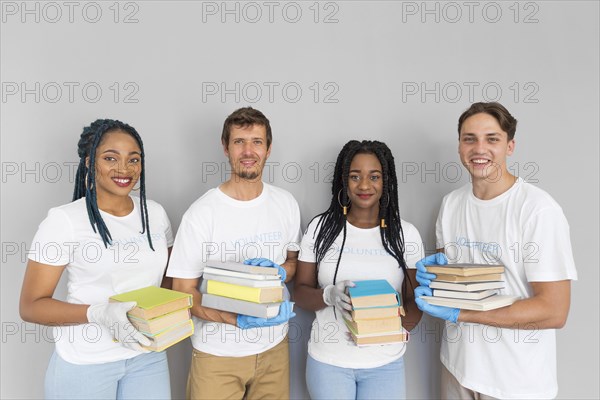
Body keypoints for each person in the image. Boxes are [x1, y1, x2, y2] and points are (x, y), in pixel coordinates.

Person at [414, 102, 578, 399]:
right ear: (459, 146)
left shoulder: (537, 210)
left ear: (510, 146)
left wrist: (462, 314)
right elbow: (454, 286)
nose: (480, 149)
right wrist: (435, 278)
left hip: (514, 382)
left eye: (492, 139)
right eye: (470, 139)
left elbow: (554, 311)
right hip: (456, 370)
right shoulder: (451, 204)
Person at [19, 119, 174, 399]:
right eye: (110, 158)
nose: (124, 169)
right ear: (90, 162)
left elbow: (172, 276)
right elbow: (31, 307)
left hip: (147, 356)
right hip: (85, 363)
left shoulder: (155, 214)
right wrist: (97, 313)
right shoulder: (65, 221)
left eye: (133, 159)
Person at [166, 107, 301, 400]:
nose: (248, 151)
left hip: (274, 351)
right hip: (218, 356)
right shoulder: (201, 214)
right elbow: (183, 293)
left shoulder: (286, 204)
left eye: (256, 141)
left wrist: (281, 271)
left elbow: (293, 263)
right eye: (239, 141)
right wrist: (234, 319)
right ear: (225, 148)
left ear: (268, 148)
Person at [294, 140, 424, 400]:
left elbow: (415, 302)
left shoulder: (405, 235)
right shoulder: (320, 229)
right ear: (344, 181)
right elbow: (299, 292)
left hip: (385, 365)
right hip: (329, 362)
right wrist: (327, 295)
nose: (364, 186)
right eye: (355, 176)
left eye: (374, 176)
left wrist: (389, 331)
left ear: (385, 181)